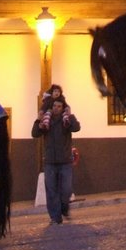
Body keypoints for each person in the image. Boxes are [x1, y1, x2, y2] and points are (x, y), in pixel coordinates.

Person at [31, 95, 80, 225]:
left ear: (63, 108)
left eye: (59, 106)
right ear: (51, 108)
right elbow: (35, 134)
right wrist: (38, 119)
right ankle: (55, 217)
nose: (56, 108)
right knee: (51, 191)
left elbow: (76, 128)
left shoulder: (66, 121)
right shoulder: (46, 122)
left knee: (66, 190)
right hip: (50, 163)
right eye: (54, 106)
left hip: (65, 162)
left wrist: (70, 115)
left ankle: (64, 208)